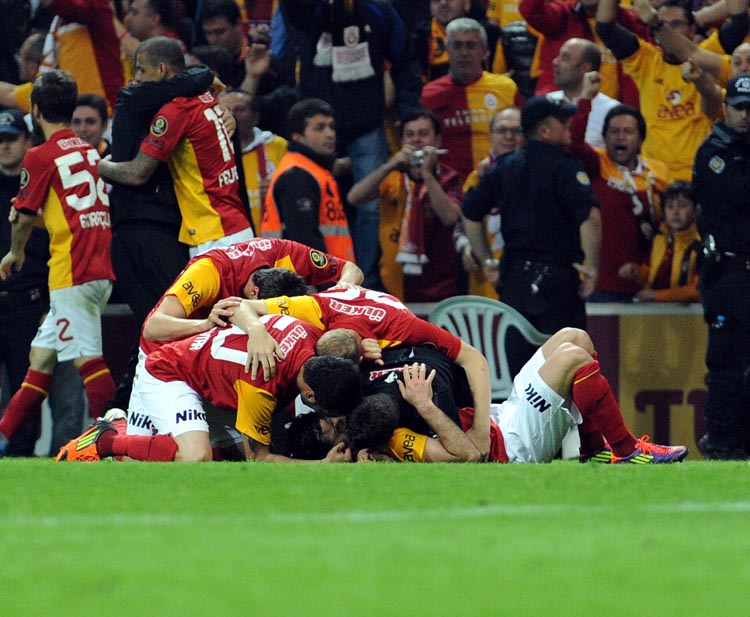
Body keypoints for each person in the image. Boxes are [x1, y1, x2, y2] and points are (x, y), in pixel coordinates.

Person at [344, 327, 689, 464]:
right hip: (513, 446)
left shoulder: (366, 386)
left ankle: (593, 449)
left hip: (501, 416)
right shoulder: (393, 439)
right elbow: (466, 456)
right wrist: (425, 406)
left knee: (575, 337)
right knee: (574, 358)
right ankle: (626, 452)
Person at [229, 286, 493, 457]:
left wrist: (480, 432)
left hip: (445, 393)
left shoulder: (401, 326)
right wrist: (256, 330)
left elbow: (474, 359)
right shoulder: (316, 309)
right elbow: (240, 305)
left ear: (361, 358)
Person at [56, 314, 360, 463]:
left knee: (227, 458)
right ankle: (106, 439)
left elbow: (242, 306)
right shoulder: (262, 385)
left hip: (212, 378)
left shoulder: (307, 330)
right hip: (170, 372)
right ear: (310, 396)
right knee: (195, 457)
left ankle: (124, 428)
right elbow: (260, 460)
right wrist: (322, 464)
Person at [0, 70, 115, 451]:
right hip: (97, 266)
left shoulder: (40, 155)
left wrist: (15, 252)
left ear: (35, 110)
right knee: (41, 359)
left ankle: (114, 442)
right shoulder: (89, 150)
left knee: (88, 360)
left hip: (72, 269)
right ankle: (4, 438)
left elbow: (22, 217)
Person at [282, 0, 422, 289]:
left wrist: (408, 110)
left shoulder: (379, 10)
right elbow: (297, 15)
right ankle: (321, 279)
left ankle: (363, 281)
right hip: (318, 126)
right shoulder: (314, 8)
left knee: (370, 208)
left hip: (366, 123)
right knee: (313, 204)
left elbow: (404, 58)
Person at [98, 36, 253, 259]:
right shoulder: (207, 100)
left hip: (214, 234)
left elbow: (137, 173)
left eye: (141, 70)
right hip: (233, 226)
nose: (137, 79)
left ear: (162, 69)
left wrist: (102, 166)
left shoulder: (176, 110)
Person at [462, 95, 601, 334]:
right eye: (562, 121)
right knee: (564, 353)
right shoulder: (566, 167)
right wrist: (592, 268)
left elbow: (470, 212)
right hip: (558, 282)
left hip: (513, 280)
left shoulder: (504, 166)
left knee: (519, 355)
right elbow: (590, 218)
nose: (568, 125)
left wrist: (487, 261)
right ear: (544, 131)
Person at [569, 72, 672, 302]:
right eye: (614, 132)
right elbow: (573, 142)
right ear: (605, 138)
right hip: (603, 285)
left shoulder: (659, 172)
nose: (620, 137)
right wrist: (585, 98)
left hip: (650, 282)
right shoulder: (596, 163)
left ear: (641, 139)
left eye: (628, 131)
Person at [347, 108, 464, 302]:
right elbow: (354, 197)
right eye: (410, 135)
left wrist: (427, 175)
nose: (416, 140)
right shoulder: (393, 176)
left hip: (440, 287)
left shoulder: (448, 177)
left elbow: (450, 218)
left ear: (437, 141)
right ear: (401, 141)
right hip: (393, 287)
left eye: (423, 134)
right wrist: (389, 165)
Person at [692, 73, 750, 460]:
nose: (745, 115)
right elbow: (741, 192)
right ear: (726, 108)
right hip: (730, 273)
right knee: (727, 363)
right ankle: (722, 443)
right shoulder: (714, 152)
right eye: (740, 107)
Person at [595, 0, 715, 181]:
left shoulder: (710, 57)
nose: (668, 31)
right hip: (655, 180)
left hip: (701, 177)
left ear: (693, 29)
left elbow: (739, 21)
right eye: (663, 25)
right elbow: (605, 28)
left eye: (676, 24)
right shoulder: (646, 60)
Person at [420, 18, 522, 184]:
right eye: (457, 45)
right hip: (449, 186)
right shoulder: (429, 94)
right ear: (447, 50)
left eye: (471, 45)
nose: (464, 53)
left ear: (485, 50)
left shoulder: (507, 88)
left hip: (499, 181)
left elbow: (523, 137)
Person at [262, 98, 354, 263]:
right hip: (311, 276)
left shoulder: (314, 170)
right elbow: (305, 242)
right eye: (320, 128)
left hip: (330, 273)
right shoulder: (297, 175)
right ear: (298, 137)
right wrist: (329, 276)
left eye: (331, 127)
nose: (330, 134)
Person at [0, 0, 124, 114]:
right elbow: (27, 94)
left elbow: (67, 5)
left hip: (104, 115)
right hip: (73, 117)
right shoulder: (58, 24)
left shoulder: (94, 5)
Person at [519, 0, 647, 103]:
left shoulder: (630, 22)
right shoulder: (561, 16)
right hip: (561, 111)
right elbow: (530, 10)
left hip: (613, 115)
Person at [458, 106, 523, 299]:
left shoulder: (538, 175)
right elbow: (462, 223)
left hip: (524, 275)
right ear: (490, 136)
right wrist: (467, 245)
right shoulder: (477, 177)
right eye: (502, 130)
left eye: (517, 130)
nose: (509, 137)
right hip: (486, 278)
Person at [217, 88, 288, 233]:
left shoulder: (277, 146)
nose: (232, 116)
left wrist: (279, 191)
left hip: (273, 237)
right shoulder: (210, 152)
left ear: (256, 117)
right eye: (226, 110)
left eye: (240, 109)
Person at [618, 181, 701, 303]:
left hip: (690, 313)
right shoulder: (658, 239)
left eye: (682, 205)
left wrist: (656, 295)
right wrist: (635, 271)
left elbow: (699, 290)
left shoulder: (701, 243)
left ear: (695, 210)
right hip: (656, 311)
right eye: (670, 206)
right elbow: (648, 275)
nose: (675, 212)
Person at [547, 38, 618, 149]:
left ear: (585, 68)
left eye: (565, 58)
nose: (555, 62)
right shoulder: (546, 103)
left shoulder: (612, 111)